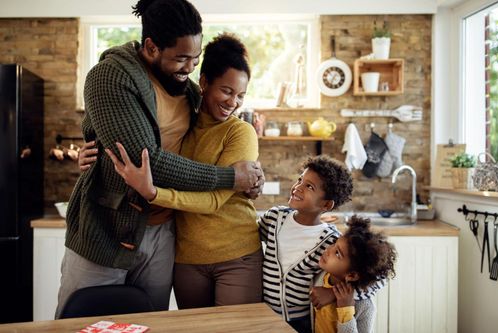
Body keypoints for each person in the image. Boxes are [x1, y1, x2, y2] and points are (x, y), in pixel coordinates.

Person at [55, 0, 263, 319]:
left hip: (162, 233)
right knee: (83, 322)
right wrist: (231, 177)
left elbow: (214, 130)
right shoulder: (111, 76)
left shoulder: (189, 91)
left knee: (150, 323)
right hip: (106, 229)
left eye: (195, 59)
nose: (189, 68)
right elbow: (148, 160)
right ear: (151, 47)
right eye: (181, 58)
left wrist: (252, 178)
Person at [98, 33, 263, 308]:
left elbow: (213, 201)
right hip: (187, 259)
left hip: (237, 255)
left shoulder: (240, 132)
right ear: (204, 82)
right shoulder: (183, 124)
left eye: (241, 96)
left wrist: (153, 193)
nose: (233, 102)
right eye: (226, 91)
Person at [257, 156, 384, 333]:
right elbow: (249, 238)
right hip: (264, 317)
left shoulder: (331, 241)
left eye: (309, 186)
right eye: (300, 179)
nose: (298, 187)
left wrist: (332, 294)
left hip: (303, 323)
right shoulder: (274, 218)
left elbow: (377, 280)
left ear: (326, 204)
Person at [312, 215, 397, 333]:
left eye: (337, 254)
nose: (328, 250)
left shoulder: (365, 308)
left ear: (351, 275)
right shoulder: (322, 277)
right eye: (334, 244)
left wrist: (345, 309)